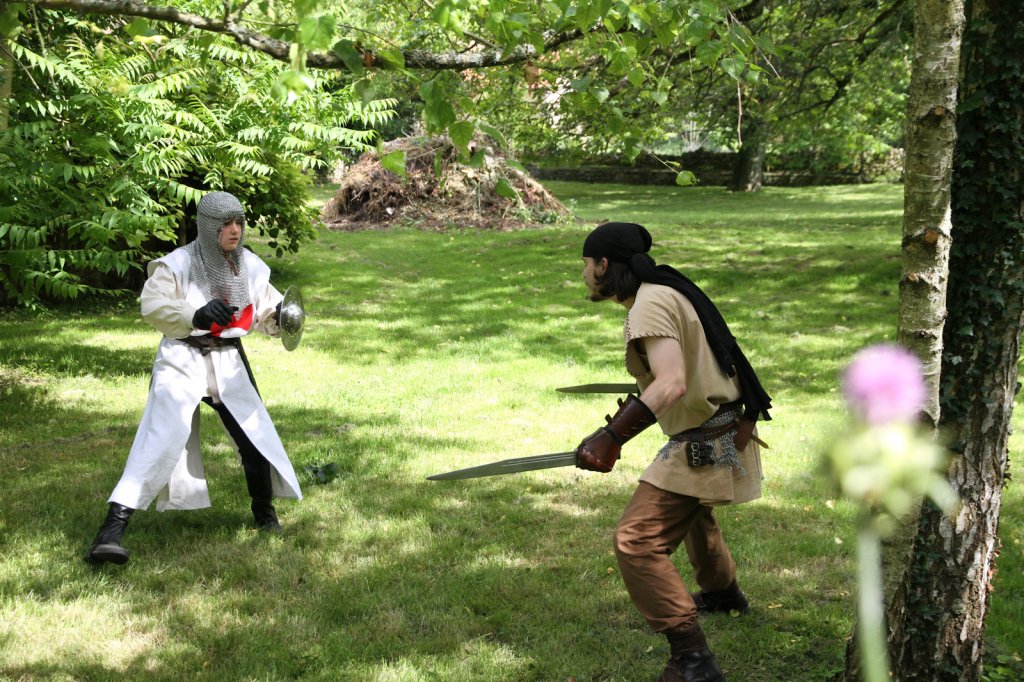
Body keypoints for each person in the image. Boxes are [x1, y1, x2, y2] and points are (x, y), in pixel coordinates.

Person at [575, 222, 772, 682]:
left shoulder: (649, 304)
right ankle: (723, 596)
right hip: (722, 427)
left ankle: (692, 660)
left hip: (706, 440)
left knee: (636, 540)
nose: (583, 274)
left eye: (585, 265)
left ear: (603, 265)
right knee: (693, 512)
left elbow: (672, 383)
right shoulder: (664, 290)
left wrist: (611, 437)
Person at [84, 191, 303, 565]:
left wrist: (281, 314)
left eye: (239, 223)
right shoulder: (178, 263)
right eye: (226, 224)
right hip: (181, 358)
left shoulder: (248, 264)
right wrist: (194, 315)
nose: (234, 230)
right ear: (208, 226)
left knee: (254, 437)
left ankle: (265, 515)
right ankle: (110, 533)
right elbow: (152, 305)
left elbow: (266, 309)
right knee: (158, 439)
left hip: (228, 360)